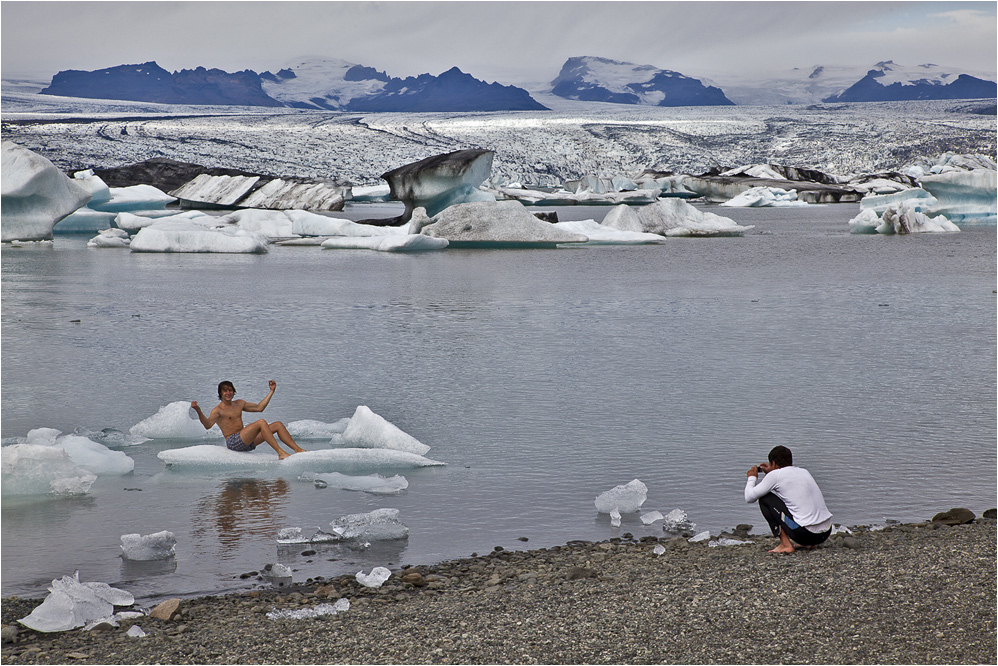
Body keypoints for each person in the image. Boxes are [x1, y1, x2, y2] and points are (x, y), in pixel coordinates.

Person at [745, 445, 832, 554]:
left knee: (765, 498)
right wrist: (771, 473)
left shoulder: (775, 475)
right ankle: (808, 544)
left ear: (774, 463)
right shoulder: (804, 471)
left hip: (806, 534)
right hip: (825, 533)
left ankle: (785, 545)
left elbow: (749, 497)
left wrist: (751, 478)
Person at [191, 380, 306, 460]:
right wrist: (198, 411)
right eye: (225, 391)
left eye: (230, 390)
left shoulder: (239, 403)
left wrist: (271, 391)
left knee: (278, 425)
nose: (228, 393)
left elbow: (259, 407)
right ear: (220, 393)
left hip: (247, 441)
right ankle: (281, 453)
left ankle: (298, 450)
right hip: (233, 442)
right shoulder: (218, 410)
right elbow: (207, 425)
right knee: (261, 422)